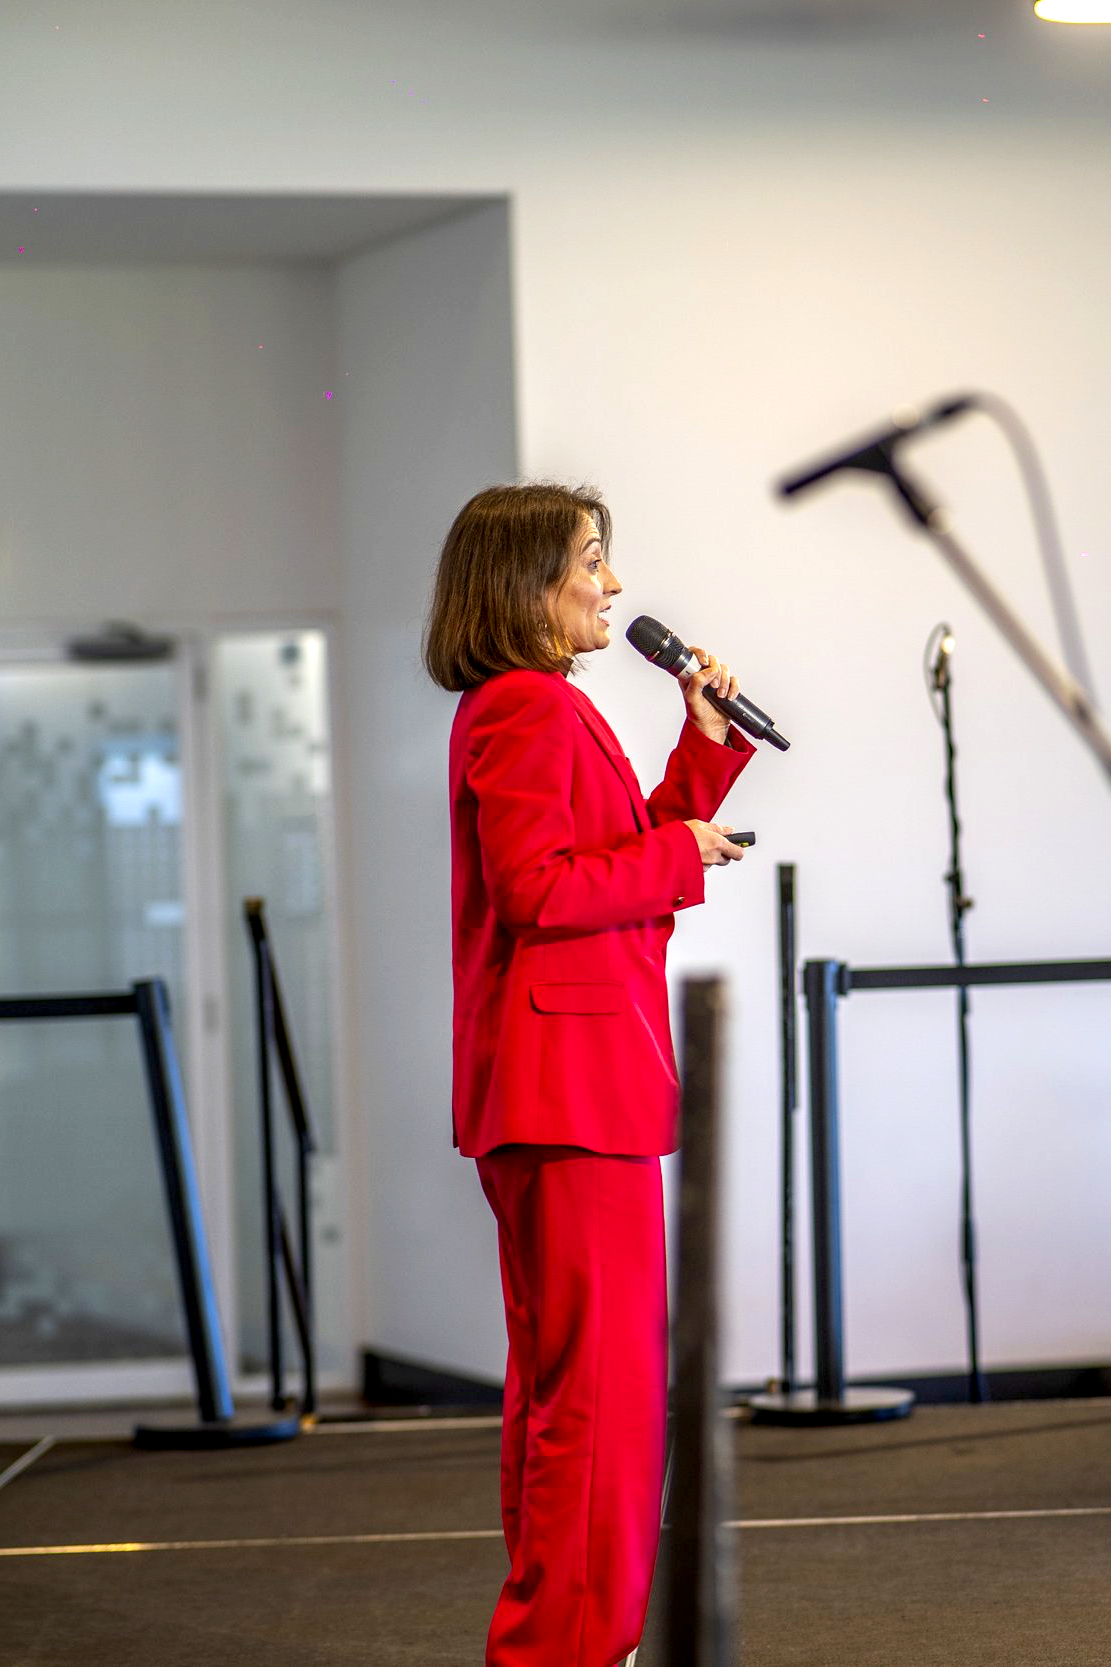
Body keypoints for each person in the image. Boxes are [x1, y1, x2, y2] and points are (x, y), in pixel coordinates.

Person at [423, 482, 757, 1667]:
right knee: (600, 1404)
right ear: (528, 582)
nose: (611, 584)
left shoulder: (535, 705)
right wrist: (677, 854)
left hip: (564, 1091)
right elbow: (541, 889)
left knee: (573, 1393)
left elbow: (606, 859)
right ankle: (563, 1644)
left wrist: (698, 759)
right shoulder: (526, 707)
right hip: (568, 1094)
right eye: (591, 559)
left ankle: (561, 1637)